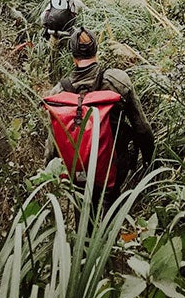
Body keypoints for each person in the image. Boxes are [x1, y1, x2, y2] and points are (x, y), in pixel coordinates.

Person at [44, 26, 156, 210]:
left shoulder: (59, 92)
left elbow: (52, 145)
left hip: (76, 171)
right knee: (111, 210)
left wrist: (50, 175)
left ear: (72, 55)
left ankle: (84, 235)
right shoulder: (117, 80)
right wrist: (149, 162)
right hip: (113, 168)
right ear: (96, 49)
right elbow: (142, 128)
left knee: (82, 212)